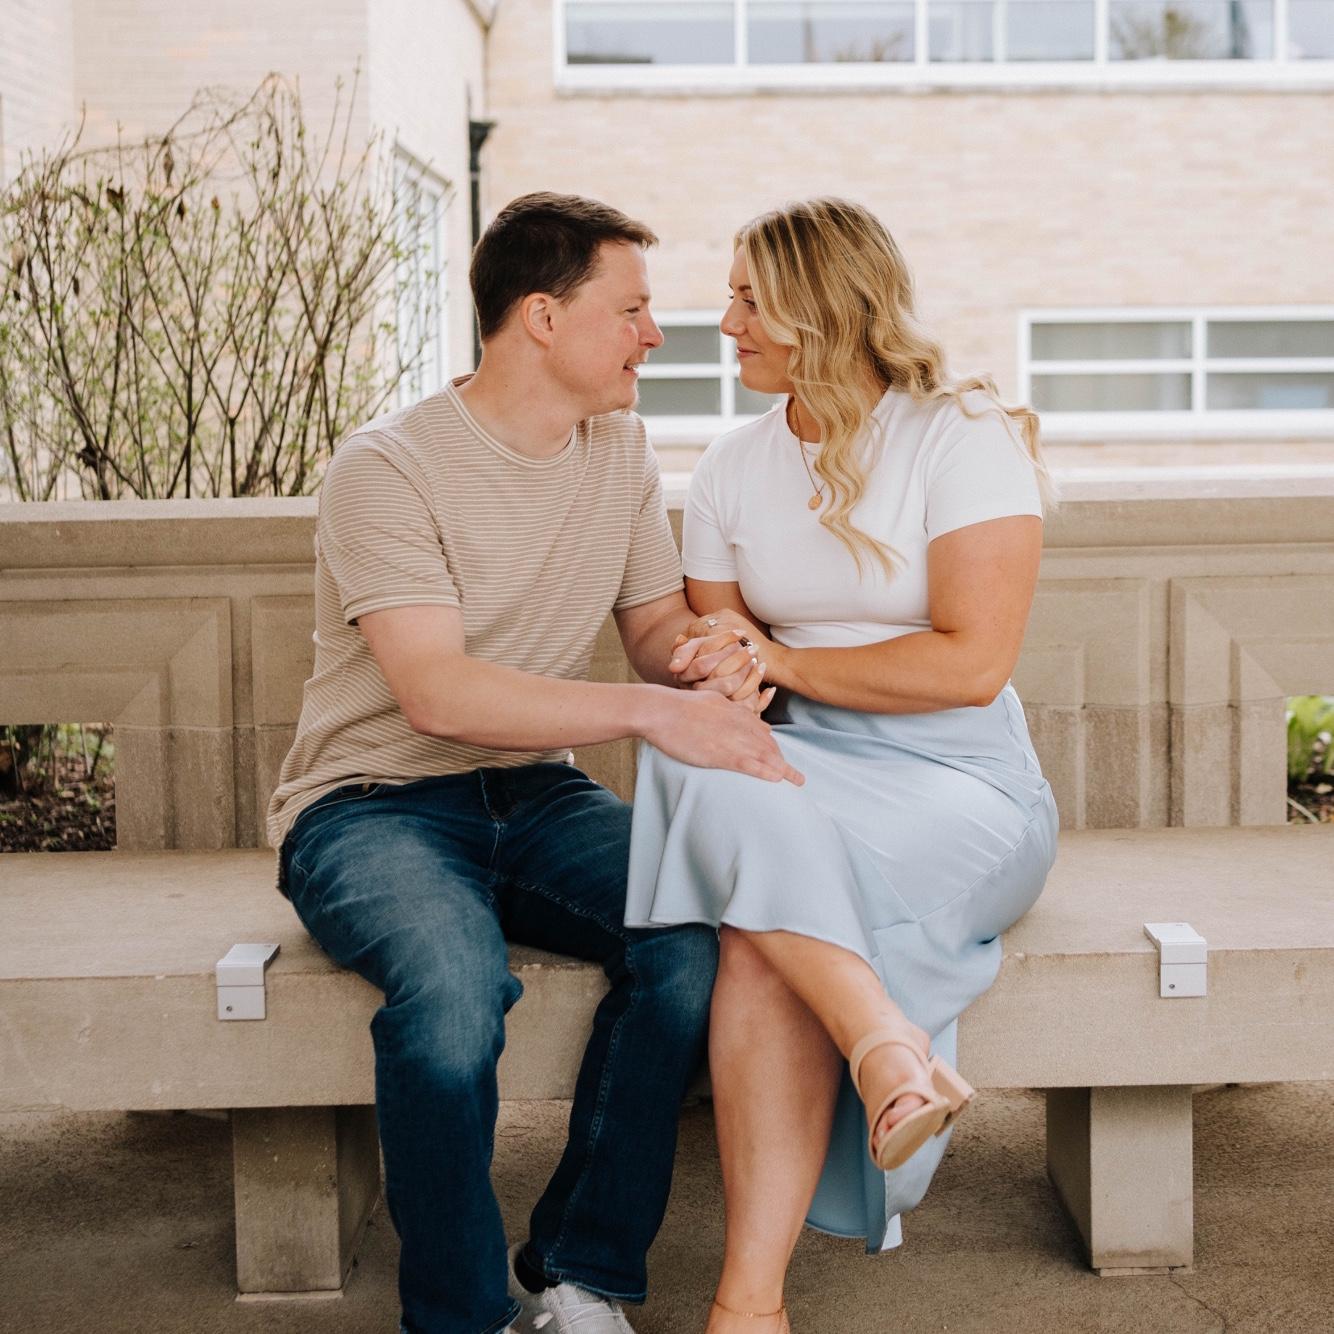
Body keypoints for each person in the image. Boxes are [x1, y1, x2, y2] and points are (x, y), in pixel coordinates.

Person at [266, 191, 803, 1334]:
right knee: (451, 992)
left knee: (688, 940)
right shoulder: (386, 468)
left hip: (536, 792)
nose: (656, 333)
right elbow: (437, 690)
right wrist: (651, 717)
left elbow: (651, 629)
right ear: (543, 318)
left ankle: (579, 1272)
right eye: (632, 309)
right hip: (370, 803)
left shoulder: (617, 450)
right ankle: (461, 1316)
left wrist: (713, 657)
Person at [625, 197, 1060, 1331]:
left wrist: (776, 659)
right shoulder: (731, 467)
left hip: (957, 781)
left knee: (756, 921)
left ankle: (748, 1303)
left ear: (825, 308)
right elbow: (725, 671)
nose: (725, 324)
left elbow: (972, 664)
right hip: (791, 766)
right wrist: (735, 668)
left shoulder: (963, 435)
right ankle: (883, 1058)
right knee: (695, 751)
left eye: (748, 300)